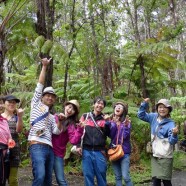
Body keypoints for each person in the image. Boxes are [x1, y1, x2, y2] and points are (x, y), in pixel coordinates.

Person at [28, 58, 63, 186]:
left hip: (49, 148)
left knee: (48, 180)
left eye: (52, 96)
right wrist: (44, 66)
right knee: (40, 176)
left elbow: (57, 131)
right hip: (37, 144)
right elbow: (40, 84)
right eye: (47, 95)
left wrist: (60, 121)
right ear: (42, 96)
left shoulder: (52, 116)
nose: (50, 97)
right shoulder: (36, 104)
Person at [137, 98, 178, 186]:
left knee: (166, 181)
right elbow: (140, 115)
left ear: (168, 109)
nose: (162, 109)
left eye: (165, 107)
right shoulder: (153, 117)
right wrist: (144, 104)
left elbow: (172, 141)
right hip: (155, 155)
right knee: (155, 181)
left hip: (165, 156)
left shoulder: (171, 124)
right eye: (160, 107)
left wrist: (174, 134)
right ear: (157, 108)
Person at [75, 96, 110, 186]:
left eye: (102, 104)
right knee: (88, 175)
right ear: (94, 104)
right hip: (86, 150)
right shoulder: (85, 116)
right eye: (98, 103)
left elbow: (109, 134)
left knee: (101, 174)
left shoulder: (105, 119)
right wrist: (78, 145)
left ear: (104, 106)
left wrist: (108, 123)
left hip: (100, 151)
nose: (100, 105)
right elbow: (78, 132)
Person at [52, 99, 83, 186]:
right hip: (47, 150)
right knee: (44, 176)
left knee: (60, 179)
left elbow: (74, 140)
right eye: (69, 107)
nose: (69, 110)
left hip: (58, 153)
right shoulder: (54, 117)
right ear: (65, 106)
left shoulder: (71, 124)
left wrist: (80, 129)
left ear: (74, 113)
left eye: (72, 109)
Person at [104, 102, 133, 186]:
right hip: (114, 151)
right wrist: (111, 124)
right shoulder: (111, 122)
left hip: (124, 152)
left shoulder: (127, 122)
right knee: (117, 176)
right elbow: (111, 135)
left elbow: (124, 136)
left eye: (121, 107)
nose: (118, 108)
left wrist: (121, 125)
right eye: (117, 106)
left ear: (123, 111)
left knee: (126, 176)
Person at [1, 95, 24, 186]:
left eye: (14, 102)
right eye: (9, 102)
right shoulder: (0, 117)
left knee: (13, 180)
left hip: (14, 151)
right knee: (1, 178)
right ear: (4, 103)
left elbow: (19, 130)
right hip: (1, 151)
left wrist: (20, 117)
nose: (11, 104)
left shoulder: (17, 117)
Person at [0, 114, 15, 186]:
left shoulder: (4, 121)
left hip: (4, 154)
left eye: (1, 103)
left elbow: (9, 137)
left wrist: (10, 142)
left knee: (3, 178)